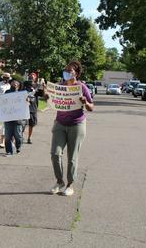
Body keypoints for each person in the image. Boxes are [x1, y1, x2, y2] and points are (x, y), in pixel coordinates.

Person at [48, 61, 94, 196]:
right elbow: (52, 100)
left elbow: (91, 107)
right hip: (60, 124)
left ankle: (70, 185)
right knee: (55, 154)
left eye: (70, 71)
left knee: (72, 157)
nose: (67, 72)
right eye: (65, 70)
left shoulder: (82, 87)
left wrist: (85, 102)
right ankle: (59, 181)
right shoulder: (60, 86)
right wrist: (47, 96)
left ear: (77, 73)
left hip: (77, 125)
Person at [3, 80, 26, 157]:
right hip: (8, 119)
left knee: (18, 136)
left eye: (16, 83)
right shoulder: (7, 92)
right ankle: (9, 151)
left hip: (18, 119)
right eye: (13, 83)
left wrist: (27, 101)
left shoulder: (21, 94)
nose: (14, 84)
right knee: (7, 137)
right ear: (11, 84)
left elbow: (26, 104)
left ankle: (18, 146)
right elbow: (3, 102)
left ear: (18, 85)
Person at [23, 80, 40, 144]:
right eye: (31, 84)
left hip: (33, 110)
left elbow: (43, 94)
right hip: (25, 110)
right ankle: (20, 136)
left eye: (32, 84)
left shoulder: (35, 91)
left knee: (31, 125)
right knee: (23, 124)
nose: (32, 86)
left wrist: (43, 87)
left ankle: (29, 138)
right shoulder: (23, 91)